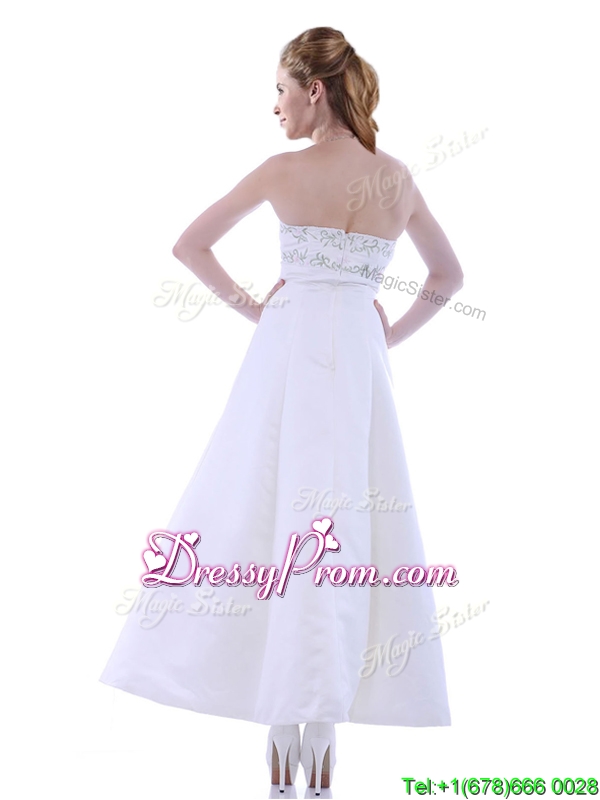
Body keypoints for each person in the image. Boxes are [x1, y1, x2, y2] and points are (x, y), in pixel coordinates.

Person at [99, 26, 464, 795]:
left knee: (263, 509)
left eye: (280, 91)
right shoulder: (395, 178)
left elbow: (190, 245)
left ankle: (281, 716)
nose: (275, 107)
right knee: (348, 520)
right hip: (358, 359)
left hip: (289, 349)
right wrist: (385, 333)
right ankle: (320, 717)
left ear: (314, 91)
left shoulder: (282, 172)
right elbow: (447, 277)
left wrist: (257, 311)